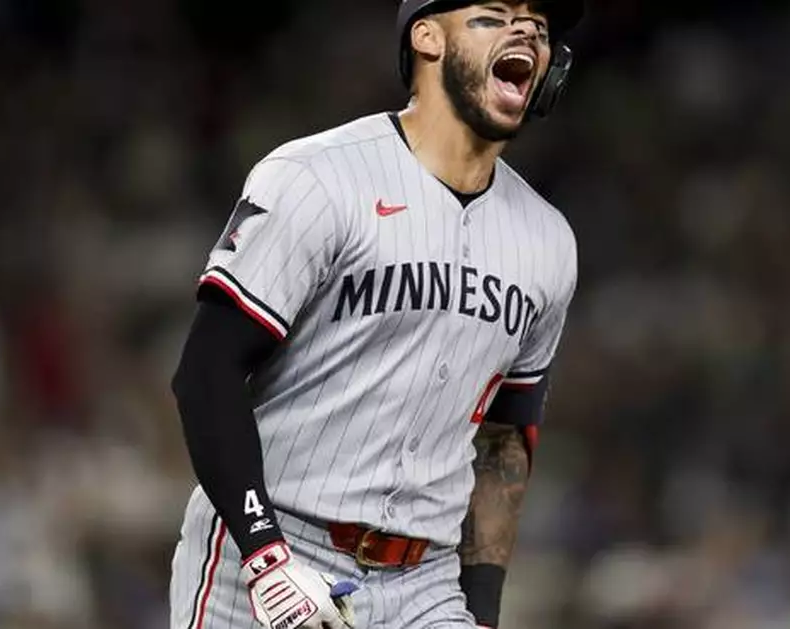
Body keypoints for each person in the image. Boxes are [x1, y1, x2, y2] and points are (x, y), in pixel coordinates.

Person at [168, 1, 583, 627]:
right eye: (493, 14)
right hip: (274, 545)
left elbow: (503, 439)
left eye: (540, 26)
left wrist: (482, 610)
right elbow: (206, 372)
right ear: (426, 38)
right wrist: (265, 555)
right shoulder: (317, 177)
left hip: (427, 582)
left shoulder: (549, 241)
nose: (526, 29)